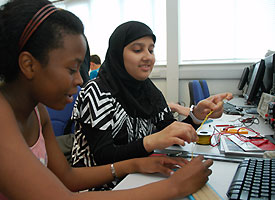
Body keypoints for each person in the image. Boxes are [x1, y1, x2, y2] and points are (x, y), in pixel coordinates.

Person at [0, 1, 213, 199]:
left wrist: (134, 165)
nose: (81, 79)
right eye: (72, 69)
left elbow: (67, 178)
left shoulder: (38, 111)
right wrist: (173, 186)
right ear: (28, 65)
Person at [71, 21, 232, 169]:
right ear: (118, 53)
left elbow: (171, 133)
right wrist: (150, 141)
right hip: (101, 185)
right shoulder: (96, 91)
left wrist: (197, 115)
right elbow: (103, 157)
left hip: (138, 172)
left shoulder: (149, 91)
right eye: (137, 49)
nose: (148, 56)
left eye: (151, 50)